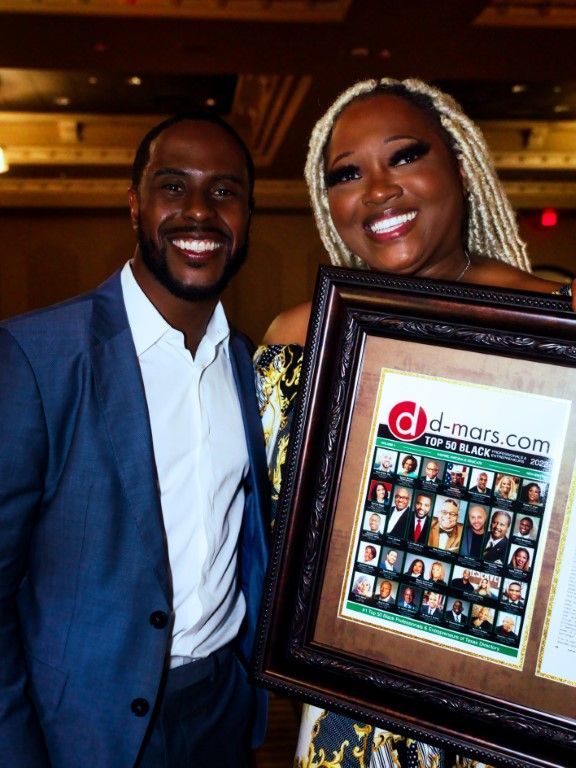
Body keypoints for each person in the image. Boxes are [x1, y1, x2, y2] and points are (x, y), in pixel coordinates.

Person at [256, 75, 573, 768]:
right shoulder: (298, 345)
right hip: (352, 713)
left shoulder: (560, 324)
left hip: (518, 730)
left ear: (458, 167)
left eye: (404, 156)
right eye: (347, 173)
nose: (376, 189)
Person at [0, 113, 271, 768]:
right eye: (173, 187)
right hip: (83, 733)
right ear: (135, 205)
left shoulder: (251, 367)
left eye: (225, 191)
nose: (200, 212)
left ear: (249, 215)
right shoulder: (38, 357)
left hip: (221, 715)